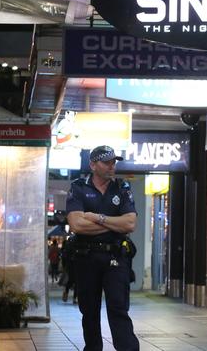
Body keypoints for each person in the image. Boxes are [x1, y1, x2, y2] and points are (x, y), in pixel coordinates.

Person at [66, 145, 139, 351]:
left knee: (118, 308)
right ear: (93, 164)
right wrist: (114, 224)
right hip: (86, 256)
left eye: (113, 162)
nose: (111, 166)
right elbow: (76, 225)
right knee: (89, 311)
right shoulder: (79, 186)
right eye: (106, 162)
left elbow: (130, 224)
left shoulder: (122, 187)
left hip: (116, 256)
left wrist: (97, 218)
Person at [61, 233, 77, 304]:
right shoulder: (73, 242)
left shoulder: (68, 243)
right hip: (74, 264)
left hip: (71, 264)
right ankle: (74, 298)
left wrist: (65, 266)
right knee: (75, 281)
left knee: (72, 281)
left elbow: (64, 256)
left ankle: (68, 294)